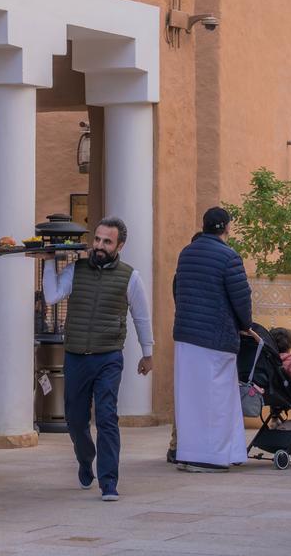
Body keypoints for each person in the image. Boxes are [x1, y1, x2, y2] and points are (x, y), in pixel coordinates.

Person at [44, 218, 153, 501]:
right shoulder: (75, 270)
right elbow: (52, 296)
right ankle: (85, 460)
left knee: (106, 417)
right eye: (98, 239)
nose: (100, 246)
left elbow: (141, 317)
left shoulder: (130, 277)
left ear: (120, 245)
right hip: (76, 356)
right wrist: (47, 262)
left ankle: (109, 482)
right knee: (75, 420)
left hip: (108, 357)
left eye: (107, 241)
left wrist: (147, 353)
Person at [171, 207, 254, 473]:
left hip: (186, 336)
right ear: (227, 227)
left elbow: (178, 290)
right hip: (216, 338)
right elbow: (241, 298)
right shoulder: (229, 257)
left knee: (190, 399)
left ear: (204, 225)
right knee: (217, 399)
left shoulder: (186, 253)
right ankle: (211, 457)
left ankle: (191, 452)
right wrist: (245, 325)